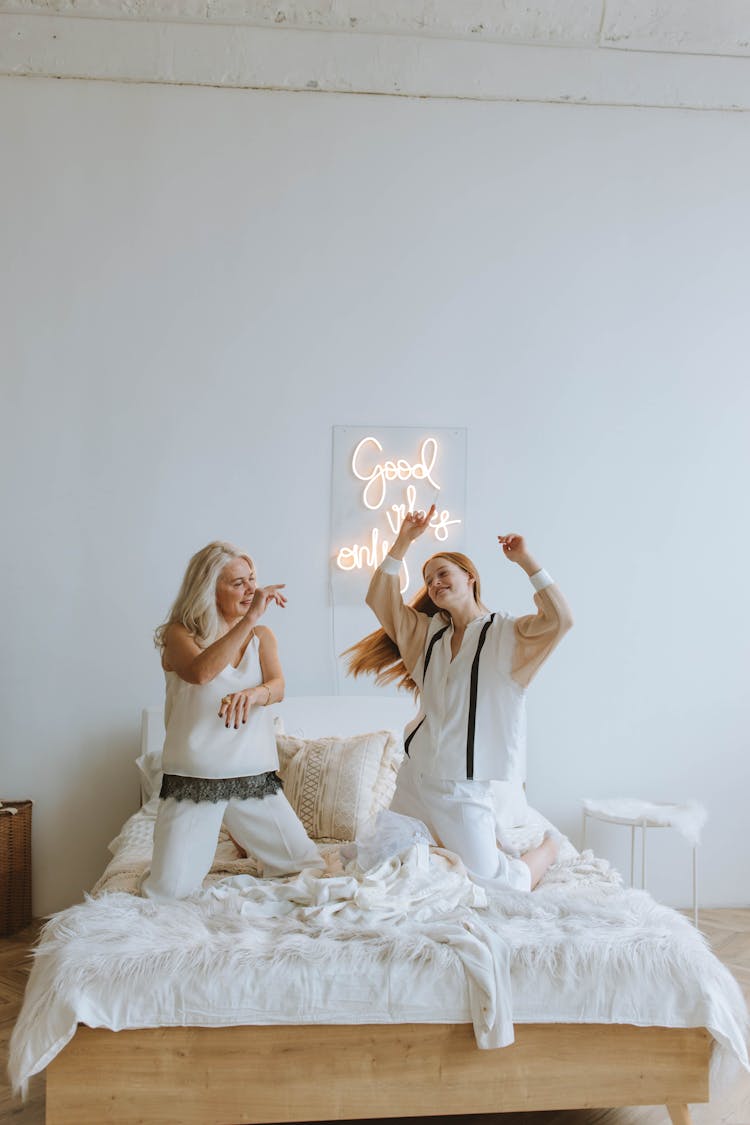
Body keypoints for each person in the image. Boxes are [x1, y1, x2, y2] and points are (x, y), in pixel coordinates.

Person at [345, 508, 573, 892]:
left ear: (470, 578)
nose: (434, 583)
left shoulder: (508, 635)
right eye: (428, 579)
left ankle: (550, 845)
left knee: (501, 888)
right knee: (378, 869)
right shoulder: (426, 635)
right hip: (414, 780)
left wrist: (525, 561)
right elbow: (379, 598)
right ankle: (470, 845)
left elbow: (560, 619)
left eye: (442, 574)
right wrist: (404, 540)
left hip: (460, 788)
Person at [141, 541, 322, 899]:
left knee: (306, 867)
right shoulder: (179, 634)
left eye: (252, 579)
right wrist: (251, 617)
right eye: (238, 583)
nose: (251, 590)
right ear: (210, 589)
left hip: (252, 775)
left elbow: (278, 686)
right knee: (167, 892)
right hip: (197, 779)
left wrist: (256, 694)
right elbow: (201, 672)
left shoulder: (262, 637)